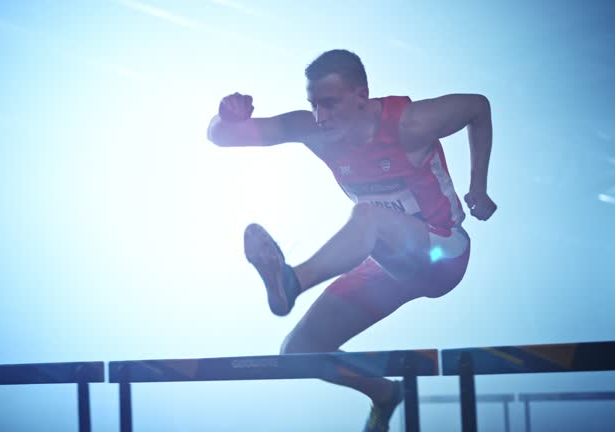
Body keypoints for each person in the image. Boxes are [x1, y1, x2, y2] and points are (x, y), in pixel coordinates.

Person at [206, 49, 496, 432]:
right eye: (314, 105)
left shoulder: (411, 123)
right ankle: (384, 395)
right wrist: (226, 117)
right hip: (387, 264)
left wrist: (479, 186)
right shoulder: (312, 130)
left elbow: (478, 107)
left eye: (330, 104)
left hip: (442, 253)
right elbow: (220, 138)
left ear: (362, 96)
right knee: (298, 353)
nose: (320, 117)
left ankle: (293, 281)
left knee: (368, 217)